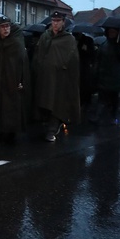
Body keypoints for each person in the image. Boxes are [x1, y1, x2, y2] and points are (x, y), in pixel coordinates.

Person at [33, 10, 80, 142]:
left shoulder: (68, 39)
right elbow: (39, 54)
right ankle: (48, 125)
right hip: (45, 76)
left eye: (58, 21)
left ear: (63, 22)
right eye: (53, 21)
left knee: (58, 102)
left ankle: (53, 129)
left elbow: (73, 59)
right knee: (45, 100)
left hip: (61, 78)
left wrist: (64, 67)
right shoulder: (45, 36)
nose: (55, 23)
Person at [0, 16, 30, 144]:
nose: (6, 29)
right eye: (3, 27)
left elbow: (22, 62)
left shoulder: (16, 43)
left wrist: (21, 80)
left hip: (11, 80)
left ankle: (10, 133)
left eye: (7, 26)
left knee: (10, 107)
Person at [91, 26, 120, 124]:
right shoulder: (104, 44)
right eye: (110, 32)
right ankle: (97, 116)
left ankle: (113, 116)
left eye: (114, 32)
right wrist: (95, 71)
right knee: (102, 97)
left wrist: (118, 48)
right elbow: (98, 59)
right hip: (104, 75)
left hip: (116, 76)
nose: (112, 34)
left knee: (114, 97)